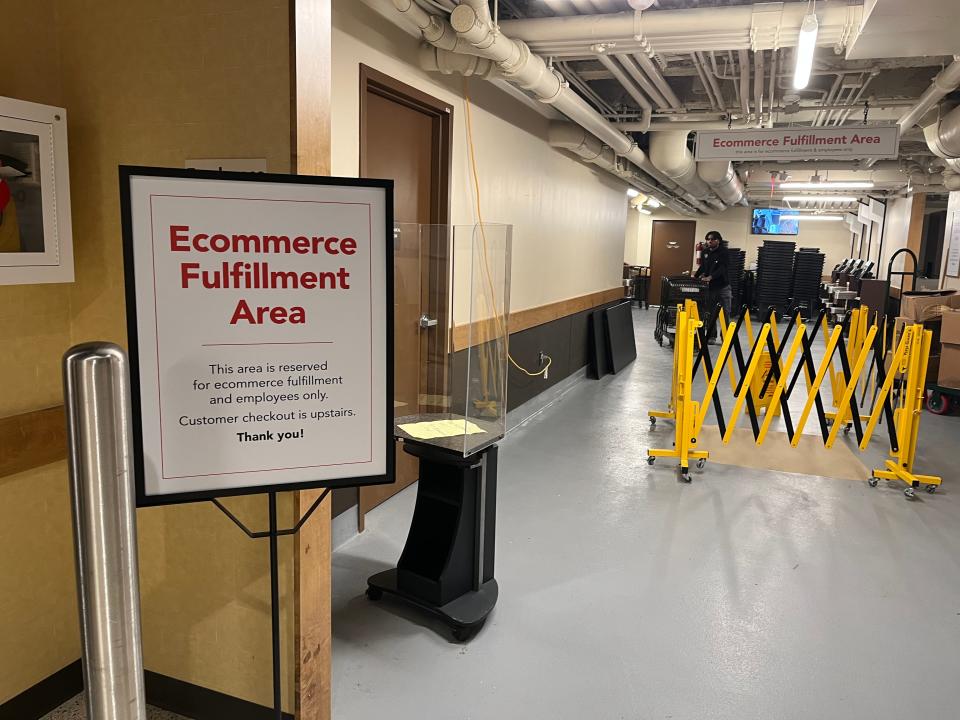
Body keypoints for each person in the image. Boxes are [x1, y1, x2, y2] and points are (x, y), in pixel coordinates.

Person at [694, 230, 731, 342]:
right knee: (710, 313)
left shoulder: (724, 252)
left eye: (712, 239)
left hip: (723, 287)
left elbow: (722, 268)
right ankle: (711, 336)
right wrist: (695, 277)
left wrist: (711, 277)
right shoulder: (705, 252)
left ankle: (725, 337)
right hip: (711, 288)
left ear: (718, 241)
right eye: (708, 239)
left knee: (725, 313)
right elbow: (703, 267)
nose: (710, 241)